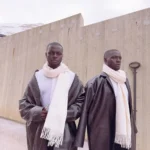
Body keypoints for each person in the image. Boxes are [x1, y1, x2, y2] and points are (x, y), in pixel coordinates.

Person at [19, 42, 85, 150]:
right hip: (39, 130)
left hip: (64, 129)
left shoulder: (72, 78)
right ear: (46, 55)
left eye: (58, 53)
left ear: (62, 55)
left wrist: (63, 114)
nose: (55, 56)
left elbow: (80, 102)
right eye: (51, 53)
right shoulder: (37, 77)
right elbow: (23, 104)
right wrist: (39, 112)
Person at [75, 49, 137, 150]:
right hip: (102, 133)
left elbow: (128, 108)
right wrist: (79, 137)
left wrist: (133, 128)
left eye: (119, 58)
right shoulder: (95, 82)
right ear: (105, 60)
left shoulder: (124, 81)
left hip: (123, 133)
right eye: (114, 57)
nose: (118, 60)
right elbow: (84, 109)